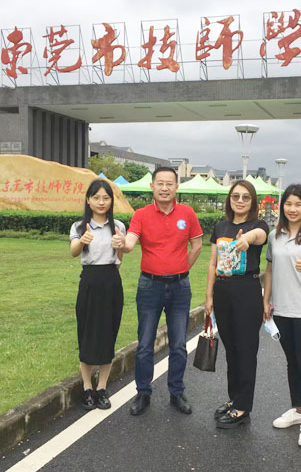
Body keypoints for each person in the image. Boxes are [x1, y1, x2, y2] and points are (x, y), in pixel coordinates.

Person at [112, 167, 203, 416]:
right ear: (152, 186)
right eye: (160, 183)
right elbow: (130, 243)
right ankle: (143, 392)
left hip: (180, 287)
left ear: (176, 187)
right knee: (145, 343)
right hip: (149, 286)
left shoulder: (187, 213)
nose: (164, 188)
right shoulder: (141, 215)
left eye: (169, 183)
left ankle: (177, 391)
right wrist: (122, 243)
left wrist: (181, 267)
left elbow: (197, 245)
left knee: (179, 344)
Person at [262, 184, 301, 447]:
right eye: (288, 203)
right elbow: (269, 269)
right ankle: (296, 410)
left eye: (298, 204)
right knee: (292, 362)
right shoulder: (274, 236)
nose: (292, 209)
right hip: (282, 309)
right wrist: (266, 300)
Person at [205, 180, 269, 429]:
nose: (240, 201)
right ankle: (234, 399)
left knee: (245, 350)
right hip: (223, 291)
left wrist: (247, 239)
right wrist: (209, 296)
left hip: (246, 292)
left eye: (245, 197)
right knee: (231, 350)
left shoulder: (258, 225)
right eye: (235, 196)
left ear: (252, 202)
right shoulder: (221, 226)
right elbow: (213, 263)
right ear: (229, 199)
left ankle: (243, 407)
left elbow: (260, 236)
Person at [69, 179, 126, 411]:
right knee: (86, 333)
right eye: (96, 198)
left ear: (111, 200)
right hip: (89, 282)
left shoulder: (118, 226)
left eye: (106, 198)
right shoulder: (79, 226)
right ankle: (86, 387)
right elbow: (73, 252)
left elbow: (119, 260)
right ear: (88, 200)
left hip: (111, 281)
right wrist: (82, 241)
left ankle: (101, 388)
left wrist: (120, 245)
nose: (101, 202)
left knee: (107, 334)